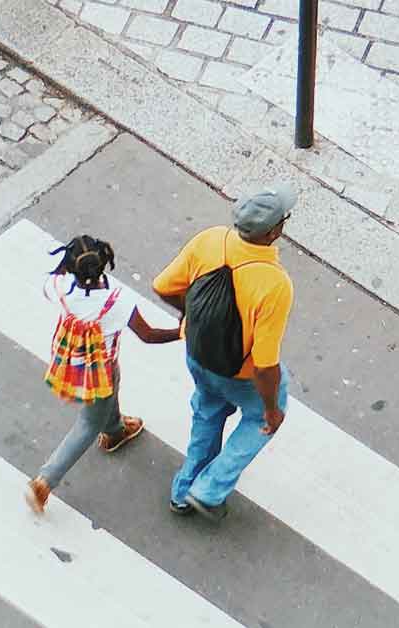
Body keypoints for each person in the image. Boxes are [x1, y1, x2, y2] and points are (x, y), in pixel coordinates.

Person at [153, 185, 297, 521]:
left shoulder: (210, 239)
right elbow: (264, 366)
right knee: (259, 420)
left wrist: (190, 318)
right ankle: (208, 490)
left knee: (208, 412)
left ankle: (182, 492)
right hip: (240, 375)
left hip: (198, 355)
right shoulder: (274, 283)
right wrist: (272, 410)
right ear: (274, 231)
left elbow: (163, 285)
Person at [26, 235, 180, 514]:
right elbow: (149, 335)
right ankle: (45, 481)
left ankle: (115, 431)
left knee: (106, 401)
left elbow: (55, 277)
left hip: (72, 361)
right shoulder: (116, 301)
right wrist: (182, 332)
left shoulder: (59, 287)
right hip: (99, 370)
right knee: (88, 424)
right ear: (103, 264)